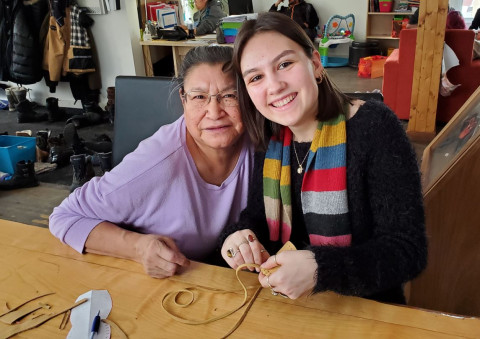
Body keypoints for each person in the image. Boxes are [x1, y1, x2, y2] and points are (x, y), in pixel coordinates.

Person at [219, 12, 427, 303]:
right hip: (287, 306)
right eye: (256, 77)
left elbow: (408, 251)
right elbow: (255, 218)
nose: (274, 85)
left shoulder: (375, 128)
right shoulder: (270, 140)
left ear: (315, 64)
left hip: (366, 309)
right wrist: (238, 237)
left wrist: (322, 269)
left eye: (285, 64)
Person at [49, 45, 252, 279]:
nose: (215, 112)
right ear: (183, 100)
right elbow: (65, 217)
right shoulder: (157, 162)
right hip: (168, 285)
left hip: (227, 279)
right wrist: (138, 247)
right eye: (199, 97)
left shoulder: (259, 140)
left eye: (230, 95)